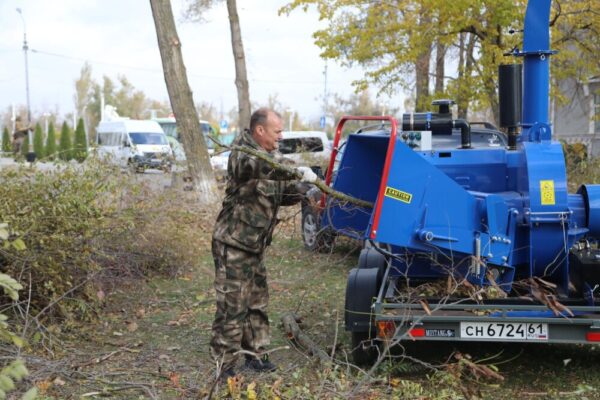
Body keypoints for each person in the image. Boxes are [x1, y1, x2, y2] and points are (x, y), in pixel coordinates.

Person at [210, 108, 318, 379]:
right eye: (277, 131)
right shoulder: (244, 154)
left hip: (254, 245)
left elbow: (280, 190)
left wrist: (306, 191)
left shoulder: (270, 158)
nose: (281, 136)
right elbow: (266, 169)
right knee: (232, 305)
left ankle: (255, 356)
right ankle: (224, 365)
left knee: (257, 302)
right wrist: (298, 171)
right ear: (260, 131)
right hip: (232, 244)